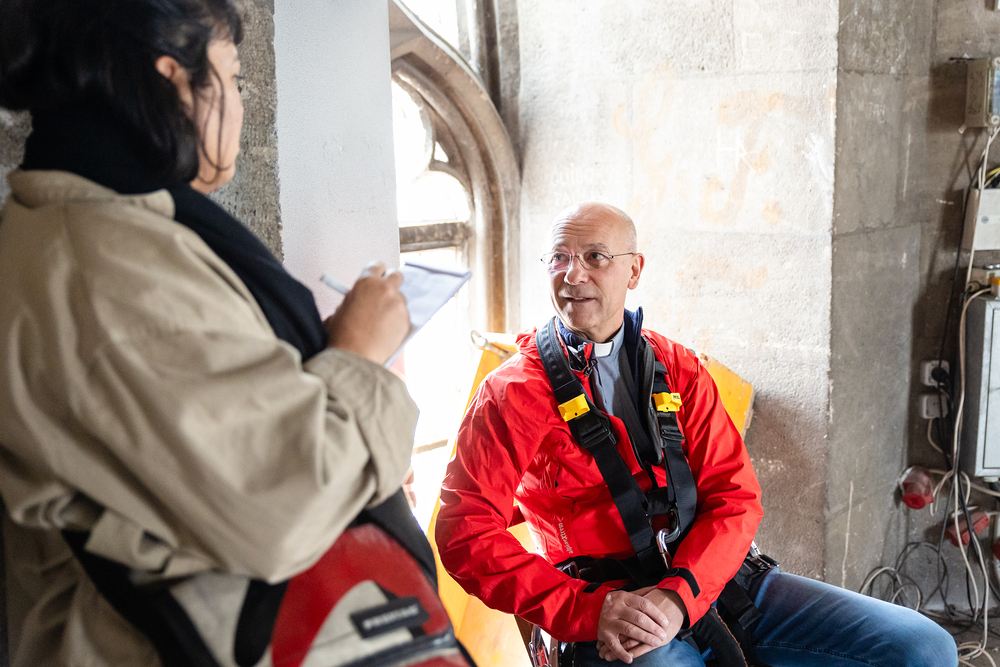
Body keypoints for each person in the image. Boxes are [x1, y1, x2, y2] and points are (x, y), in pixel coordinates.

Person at [0, 1, 427, 665]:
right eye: (231, 76)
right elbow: (283, 504)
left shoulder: (106, 227)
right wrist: (360, 355)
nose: (240, 102)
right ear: (173, 79)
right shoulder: (106, 264)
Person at [435, 201, 958, 667]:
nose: (573, 274)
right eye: (559, 257)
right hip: (609, 604)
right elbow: (465, 533)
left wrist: (681, 593)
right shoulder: (511, 394)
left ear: (634, 270)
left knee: (925, 649)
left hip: (715, 580)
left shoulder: (678, 368)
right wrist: (584, 609)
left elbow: (735, 497)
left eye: (595, 257)